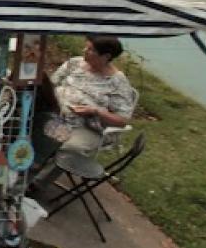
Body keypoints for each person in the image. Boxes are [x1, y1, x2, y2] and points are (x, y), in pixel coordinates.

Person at [33, 37, 137, 169]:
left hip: (85, 127)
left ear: (106, 56)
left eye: (90, 49)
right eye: (86, 47)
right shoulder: (75, 63)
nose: (84, 51)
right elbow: (51, 84)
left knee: (68, 148)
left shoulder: (117, 82)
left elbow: (122, 120)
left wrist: (95, 111)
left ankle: (40, 182)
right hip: (55, 115)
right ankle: (26, 165)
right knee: (29, 128)